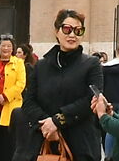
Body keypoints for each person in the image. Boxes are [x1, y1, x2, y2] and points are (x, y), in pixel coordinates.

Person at [14, 9, 102, 161]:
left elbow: (91, 99)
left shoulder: (91, 64)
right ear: (57, 31)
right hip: (44, 141)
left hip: (81, 143)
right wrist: (47, 125)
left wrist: (58, 121)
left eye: (78, 30)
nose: (72, 35)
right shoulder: (41, 66)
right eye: (67, 29)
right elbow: (29, 101)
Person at [0, 33, 26, 161]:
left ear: (13, 48)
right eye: (3, 46)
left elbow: (21, 83)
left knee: (9, 141)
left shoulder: (19, 63)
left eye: (9, 46)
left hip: (11, 106)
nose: (6, 49)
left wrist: (5, 96)